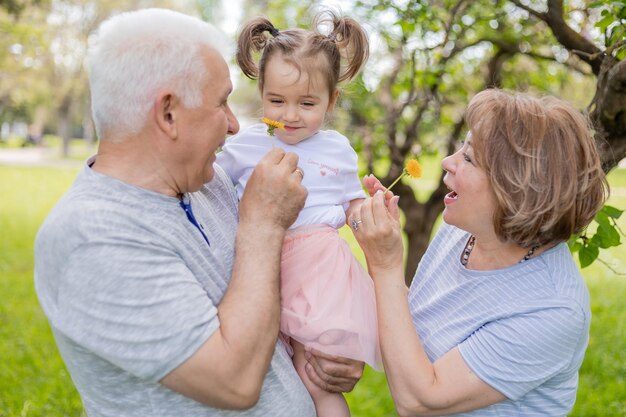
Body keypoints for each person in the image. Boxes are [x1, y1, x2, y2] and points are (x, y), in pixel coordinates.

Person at [34, 8, 362, 417]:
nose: (234, 126)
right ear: (168, 113)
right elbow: (234, 383)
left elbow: (263, 302)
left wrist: (326, 353)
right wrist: (264, 222)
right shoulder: (91, 237)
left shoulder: (210, 184)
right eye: (221, 103)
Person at [351, 88, 608, 417]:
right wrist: (339, 344)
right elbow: (414, 325)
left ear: (516, 189)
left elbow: (420, 400)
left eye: (469, 158)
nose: (447, 161)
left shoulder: (552, 310)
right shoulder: (464, 232)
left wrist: (385, 264)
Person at [216, 11, 379, 417]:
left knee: (315, 377)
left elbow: (352, 202)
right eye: (276, 101)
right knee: (265, 366)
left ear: (331, 100)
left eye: (307, 103)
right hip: (259, 262)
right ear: (261, 92)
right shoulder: (244, 146)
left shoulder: (337, 148)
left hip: (315, 270)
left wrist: (372, 217)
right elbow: (212, 183)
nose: (290, 116)